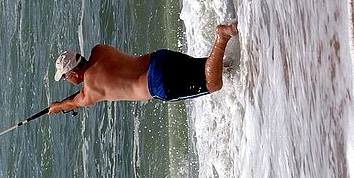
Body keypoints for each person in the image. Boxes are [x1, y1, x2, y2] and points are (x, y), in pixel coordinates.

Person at [48, 20, 239, 114]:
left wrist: (57, 107)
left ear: (73, 72)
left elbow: (76, 101)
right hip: (160, 58)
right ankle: (245, 61)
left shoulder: (90, 91)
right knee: (212, 66)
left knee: (212, 83)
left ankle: (222, 36)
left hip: (158, 84)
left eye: (65, 76)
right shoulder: (99, 51)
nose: (66, 80)